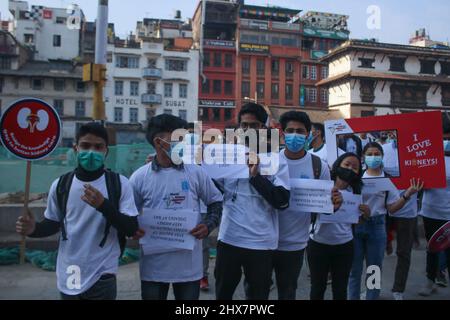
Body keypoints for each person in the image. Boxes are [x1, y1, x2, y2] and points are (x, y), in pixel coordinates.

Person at [16, 122, 140, 300]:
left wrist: (103, 206)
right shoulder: (60, 185)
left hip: (102, 273)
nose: (91, 152)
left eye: (98, 147)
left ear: (106, 151)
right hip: (70, 270)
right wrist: (33, 229)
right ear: (75, 148)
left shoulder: (120, 184)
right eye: (85, 145)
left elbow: (131, 228)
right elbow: (52, 224)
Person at [130, 114, 223, 300]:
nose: (184, 144)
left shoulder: (196, 173)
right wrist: (133, 228)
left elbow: (215, 202)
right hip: (153, 269)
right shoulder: (139, 177)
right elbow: (128, 212)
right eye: (178, 139)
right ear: (159, 142)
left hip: (189, 268)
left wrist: (208, 225)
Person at [214, 102, 290, 300]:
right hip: (229, 237)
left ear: (264, 128)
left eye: (254, 126)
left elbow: (282, 201)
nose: (248, 130)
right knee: (223, 292)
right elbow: (212, 190)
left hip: (261, 242)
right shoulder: (226, 155)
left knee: (258, 296)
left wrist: (256, 177)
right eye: (244, 126)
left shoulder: (276, 158)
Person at [348, 142, 423, 300]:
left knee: (373, 270)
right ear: (363, 157)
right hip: (356, 226)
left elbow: (392, 208)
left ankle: (372, 297)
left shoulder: (387, 180)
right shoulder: (356, 177)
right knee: (354, 271)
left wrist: (407, 195)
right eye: (370, 154)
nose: (373, 157)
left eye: (377, 154)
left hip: (377, 226)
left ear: (382, 157)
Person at [275, 111, 338, 300]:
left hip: (295, 243)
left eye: (300, 131)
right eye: (290, 130)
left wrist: (336, 203)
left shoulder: (319, 165)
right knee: (257, 292)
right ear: (282, 133)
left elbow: (328, 205)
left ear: (309, 134)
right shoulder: (270, 161)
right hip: (265, 240)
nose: (295, 135)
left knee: (287, 292)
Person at [308, 152, 368, 300]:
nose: (349, 169)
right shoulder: (324, 185)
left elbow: (356, 221)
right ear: (338, 165)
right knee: (317, 287)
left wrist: (365, 215)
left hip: (344, 245)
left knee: (340, 289)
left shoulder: (357, 191)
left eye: (354, 167)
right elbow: (310, 213)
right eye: (346, 164)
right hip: (318, 244)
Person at [418, 113, 450, 296]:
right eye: (442, 138)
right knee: (432, 249)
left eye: (447, 138)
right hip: (430, 210)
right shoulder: (428, 155)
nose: (445, 141)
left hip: (449, 213)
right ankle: (430, 281)